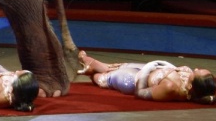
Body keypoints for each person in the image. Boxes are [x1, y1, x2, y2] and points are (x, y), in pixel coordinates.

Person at [77, 50, 215, 104]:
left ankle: (89, 69)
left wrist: (148, 69)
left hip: (133, 80)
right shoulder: (200, 87)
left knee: (101, 77)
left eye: (196, 72)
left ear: (191, 86)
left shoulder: (170, 88)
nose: (195, 68)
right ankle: (88, 63)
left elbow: (140, 93)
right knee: (108, 66)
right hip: (149, 68)